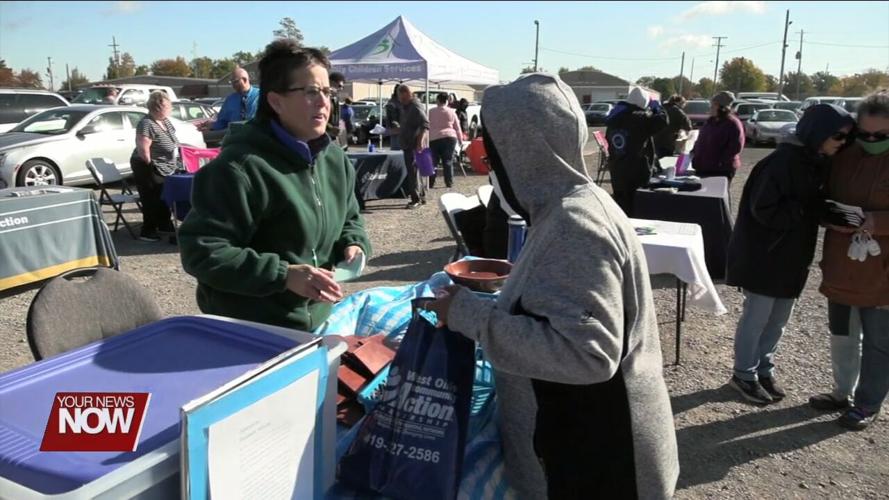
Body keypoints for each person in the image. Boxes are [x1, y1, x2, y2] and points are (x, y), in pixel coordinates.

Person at [427, 74, 678, 499]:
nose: (490, 162)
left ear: (521, 150)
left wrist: (468, 314)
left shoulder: (574, 225)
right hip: (589, 448)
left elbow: (587, 354)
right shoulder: (570, 205)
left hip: (600, 463)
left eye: (495, 149)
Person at [177, 40, 371, 331]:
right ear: (276, 101)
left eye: (327, 91)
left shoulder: (334, 159)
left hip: (317, 322)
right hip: (251, 330)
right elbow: (201, 251)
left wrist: (354, 243)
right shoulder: (237, 169)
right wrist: (283, 275)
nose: (323, 102)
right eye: (310, 91)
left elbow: (350, 218)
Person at [726, 104, 854, 405]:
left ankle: (763, 369)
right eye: (838, 136)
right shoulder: (781, 162)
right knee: (756, 318)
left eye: (847, 138)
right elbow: (764, 209)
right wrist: (809, 209)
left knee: (778, 320)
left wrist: (831, 214)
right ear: (818, 133)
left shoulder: (816, 161)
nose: (842, 143)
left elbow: (811, 204)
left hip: (793, 256)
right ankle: (743, 374)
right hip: (765, 256)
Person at [809, 90, 889, 431]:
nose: (870, 141)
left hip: (881, 273)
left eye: (879, 136)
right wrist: (828, 214)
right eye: (863, 134)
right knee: (842, 334)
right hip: (841, 264)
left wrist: (877, 222)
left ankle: (868, 403)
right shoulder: (844, 156)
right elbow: (821, 194)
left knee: (879, 343)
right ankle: (842, 391)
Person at [604, 85, 669, 215]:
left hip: (617, 170)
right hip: (636, 172)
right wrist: (658, 108)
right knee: (636, 209)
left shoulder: (614, 118)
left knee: (621, 207)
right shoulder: (640, 118)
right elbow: (663, 121)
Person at [130, 91, 179, 242]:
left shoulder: (165, 121)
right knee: (151, 198)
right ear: (159, 107)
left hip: (165, 166)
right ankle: (148, 230)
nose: (171, 108)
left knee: (163, 198)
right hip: (147, 165)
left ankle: (164, 225)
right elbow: (143, 149)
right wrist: (151, 168)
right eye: (168, 105)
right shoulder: (147, 123)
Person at [692, 91, 745, 185]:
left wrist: (720, 162)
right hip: (703, 167)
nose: (710, 107)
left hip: (720, 170)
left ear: (722, 107)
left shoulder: (732, 124)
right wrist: (694, 153)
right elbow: (701, 140)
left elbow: (735, 147)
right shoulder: (710, 121)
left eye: (714, 105)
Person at [397, 85, 429, 209]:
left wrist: (420, 142)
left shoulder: (415, 106)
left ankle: (416, 199)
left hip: (413, 144)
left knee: (413, 172)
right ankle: (421, 196)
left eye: (402, 97)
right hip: (408, 143)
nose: (401, 100)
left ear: (407, 93)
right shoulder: (406, 107)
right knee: (414, 172)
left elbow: (425, 124)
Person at [202, 67, 260, 132]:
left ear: (244, 80)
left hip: (257, 135)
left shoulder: (260, 96)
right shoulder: (230, 100)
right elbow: (222, 122)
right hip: (236, 136)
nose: (233, 85)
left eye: (235, 82)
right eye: (231, 82)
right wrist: (211, 126)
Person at [428, 92, 462, 188]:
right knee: (448, 161)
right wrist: (460, 139)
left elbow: (426, 125)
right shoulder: (452, 112)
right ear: (447, 101)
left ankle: (431, 182)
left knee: (433, 161)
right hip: (450, 137)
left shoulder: (431, 111)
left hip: (434, 138)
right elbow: (457, 127)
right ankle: (449, 182)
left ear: (437, 100)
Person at [327, 71, 346, 141]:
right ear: (331, 83)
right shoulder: (323, 99)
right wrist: (330, 128)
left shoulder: (336, 99)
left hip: (333, 138)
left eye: (342, 87)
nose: (341, 89)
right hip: (323, 136)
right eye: (339, 86)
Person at [384, 85, 402, 150]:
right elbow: (391, 118)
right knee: (396, 148)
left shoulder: (400, 101)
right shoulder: (392, 102)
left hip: (402, 129)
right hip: (395, 129)